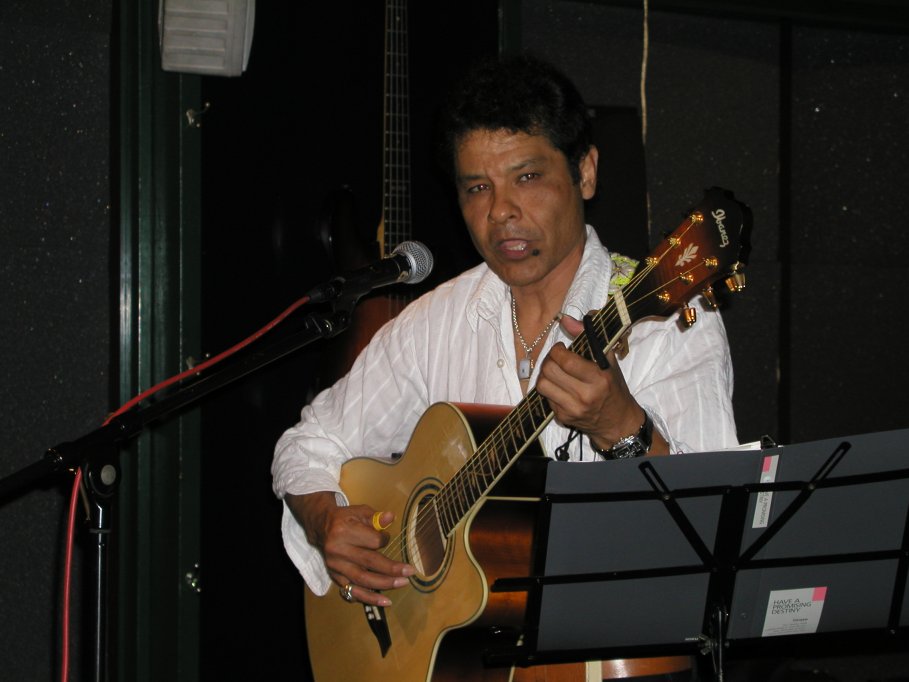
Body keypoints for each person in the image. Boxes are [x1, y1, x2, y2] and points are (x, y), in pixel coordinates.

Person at [271, 53, 738, 681]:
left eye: (527, 177)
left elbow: (714, 530)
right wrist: (326, 518)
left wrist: (621, 427)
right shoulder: (433, 322)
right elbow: (308, 444)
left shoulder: (669, 322)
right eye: (477, 188)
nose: (500, 213)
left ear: (585, 172)